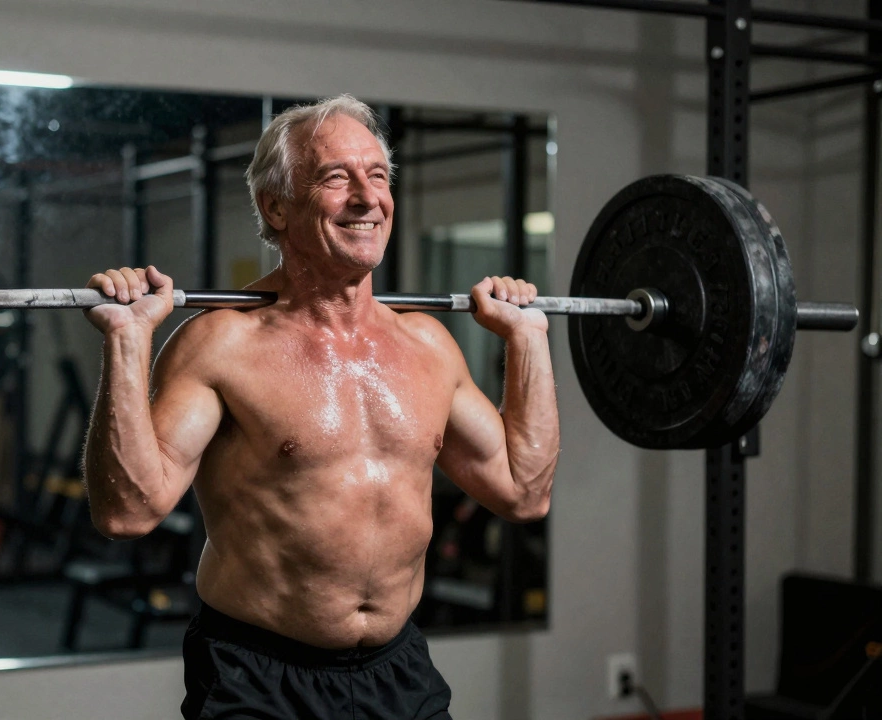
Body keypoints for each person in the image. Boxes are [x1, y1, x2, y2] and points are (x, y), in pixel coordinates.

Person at [81, 96, 558, 719]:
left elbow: (524, 490)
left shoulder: (428, 347)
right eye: (337, 178)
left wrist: (530, 340)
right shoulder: (224, 344)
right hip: (259, 678)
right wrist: (127, 340)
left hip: (399, 670)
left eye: (378, 176)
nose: (367, 198)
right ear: (275, 206)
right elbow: (127, 511)